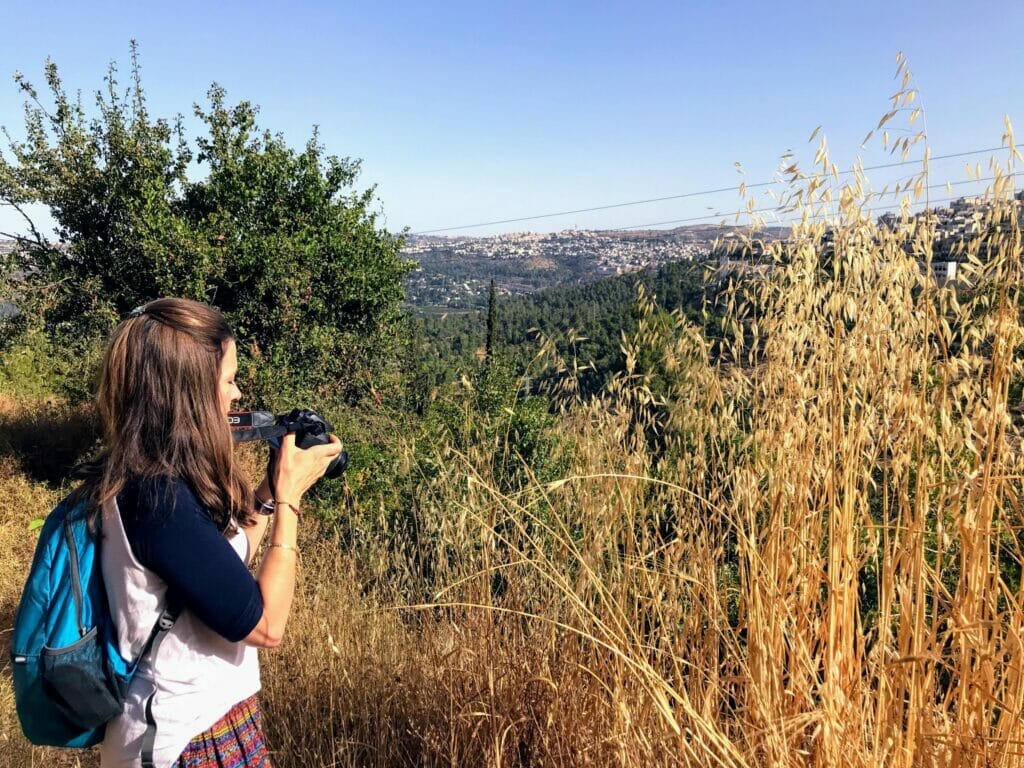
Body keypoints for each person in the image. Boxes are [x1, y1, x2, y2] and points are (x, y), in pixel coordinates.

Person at [73, 297, 342, 767]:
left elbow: (220, 570)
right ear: (190, 392)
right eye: (229, 380)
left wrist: (264, 492)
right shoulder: (157, 500)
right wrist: (290, 500)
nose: (236, 395)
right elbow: (265, 625)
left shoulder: (151, 477)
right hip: (182, 738)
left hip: (205, 720)